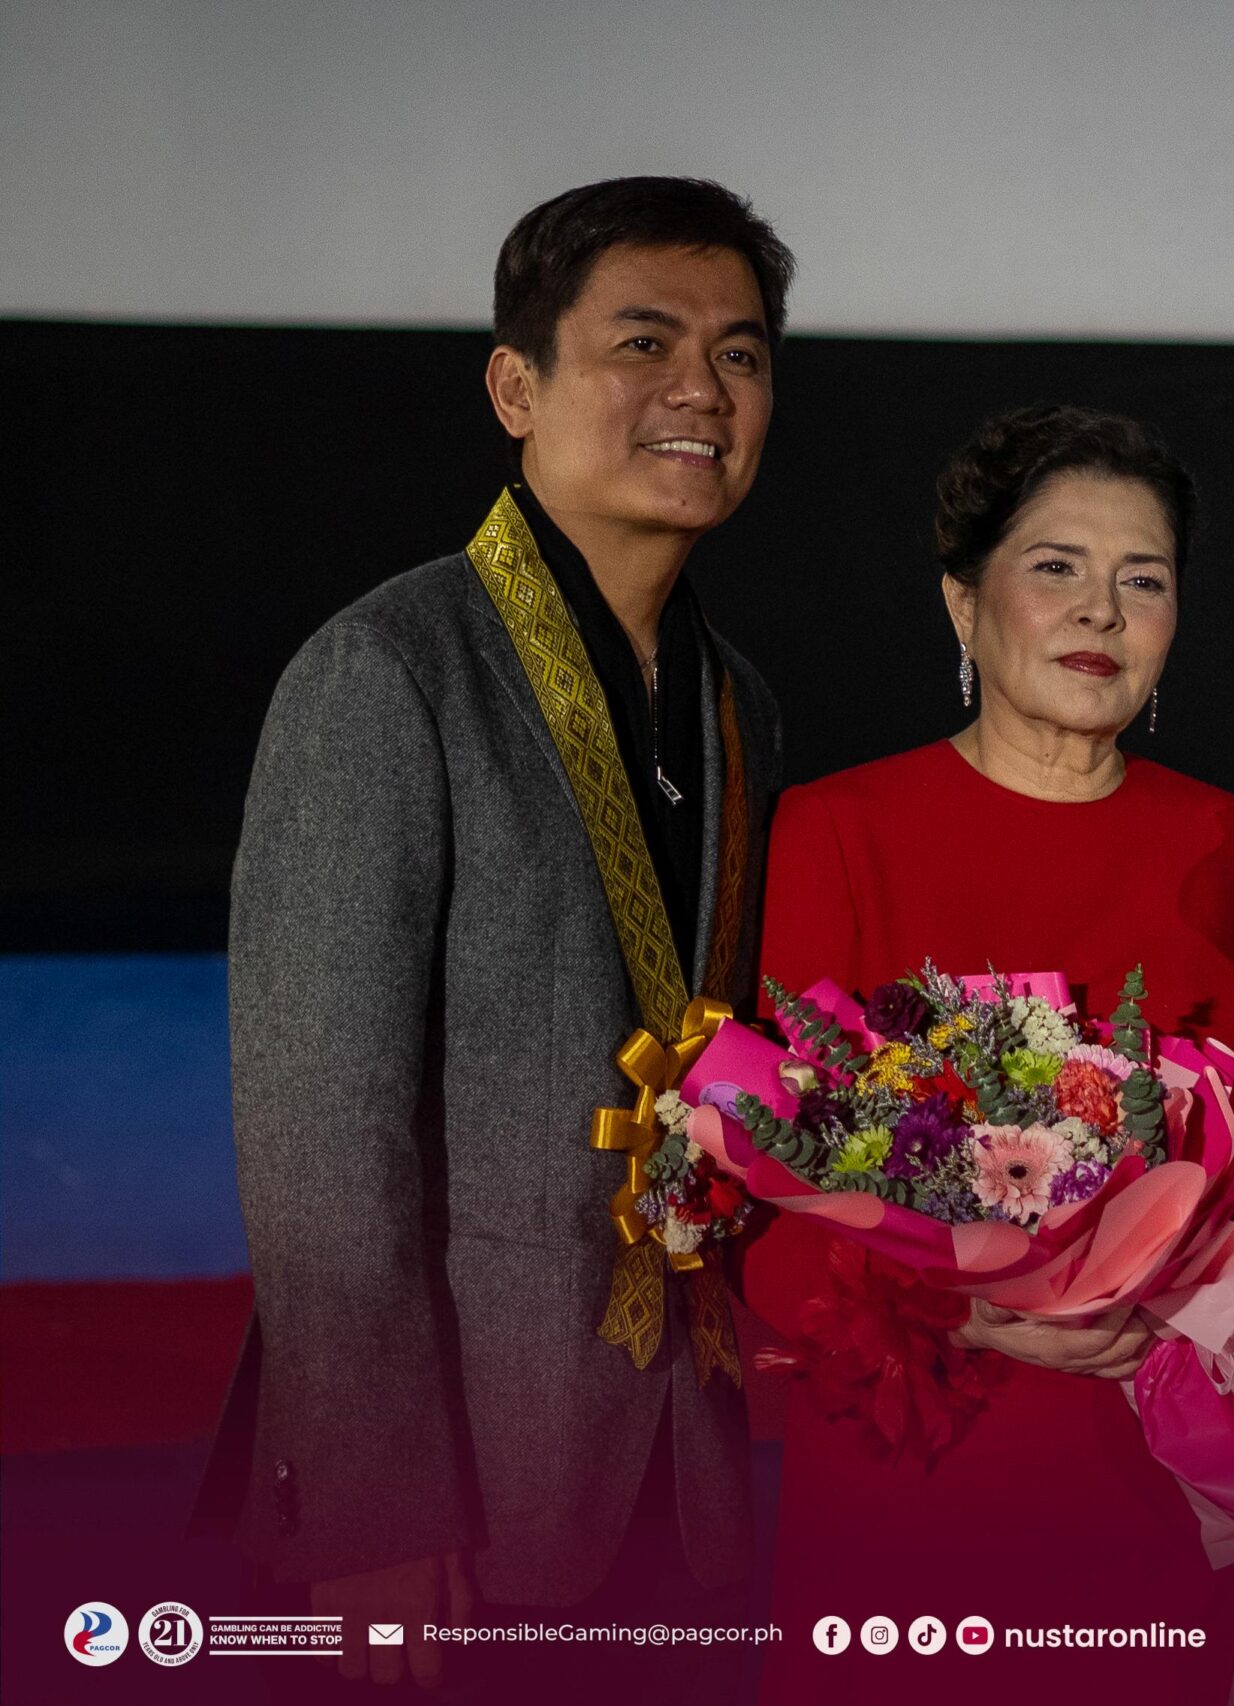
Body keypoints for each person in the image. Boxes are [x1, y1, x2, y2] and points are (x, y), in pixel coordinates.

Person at [194, 177, 794, 1694]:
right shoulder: (386, 670)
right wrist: (374, 1503)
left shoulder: (737, 699)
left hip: (677, 1452)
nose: (699, 389)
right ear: (516, 389)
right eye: (643, 343)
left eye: (737, 354)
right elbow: (320, 1135)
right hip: (455, 1487)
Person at [741, 403, 1234, 1701]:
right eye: (1056, 567)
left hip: (1154, 1471)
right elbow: (765, 1201)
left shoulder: (1233, 848)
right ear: (962, 603)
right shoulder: (838, 829)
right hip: (912, 1467)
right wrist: (964, 1307)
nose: (1102, 609)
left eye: (1142, 579)